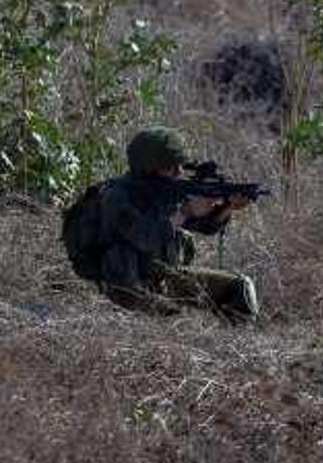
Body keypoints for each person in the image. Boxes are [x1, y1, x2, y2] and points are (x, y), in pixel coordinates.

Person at [92, 127, 259, 321]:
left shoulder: (165, 191)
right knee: (177, 319)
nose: (180, 172)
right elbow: (145, 238)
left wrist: (227, 206)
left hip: (166, 277)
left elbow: (205, 226)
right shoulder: (117, 196)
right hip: (127, 287)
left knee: (240, 288)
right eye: (172, 167)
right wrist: (185, 211)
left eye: (180, 166)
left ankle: (236, 346)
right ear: (150, 168)